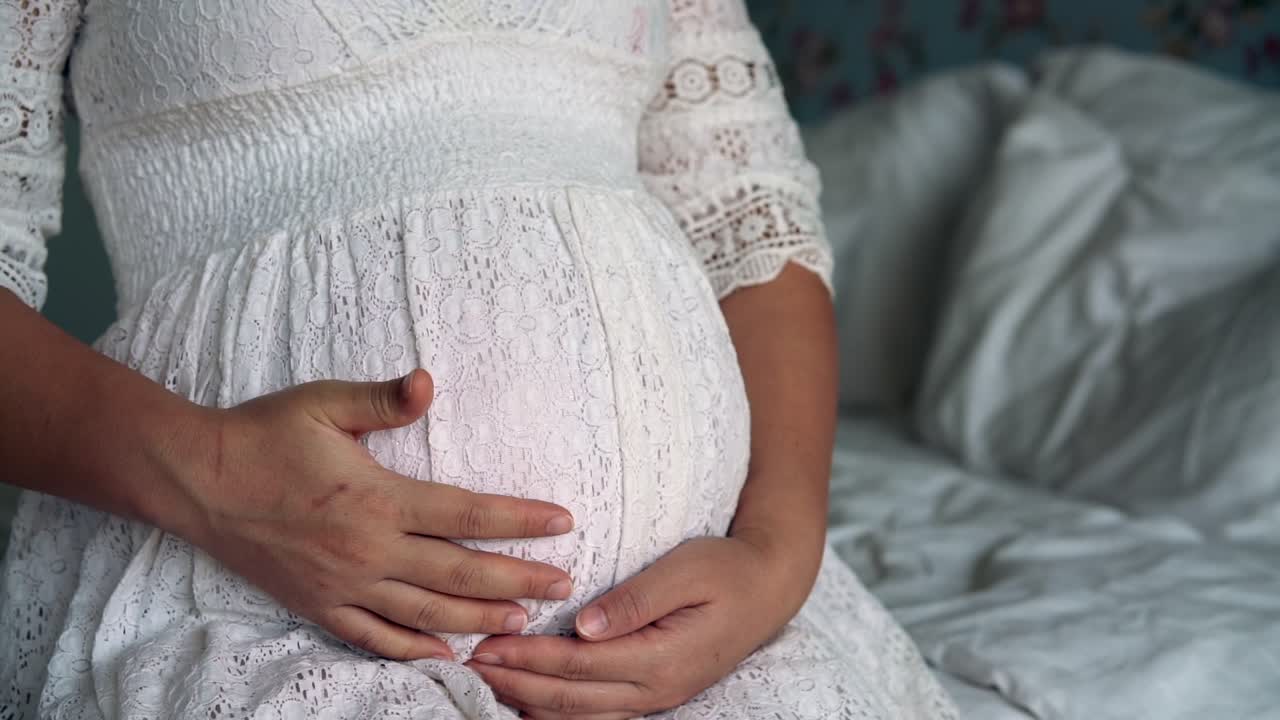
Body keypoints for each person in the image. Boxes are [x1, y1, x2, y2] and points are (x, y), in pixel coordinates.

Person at [0, 1, 957, 718]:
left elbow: (755, 221)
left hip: (717, 646)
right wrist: (213, 478)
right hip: (247, 616)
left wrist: (778, 552)